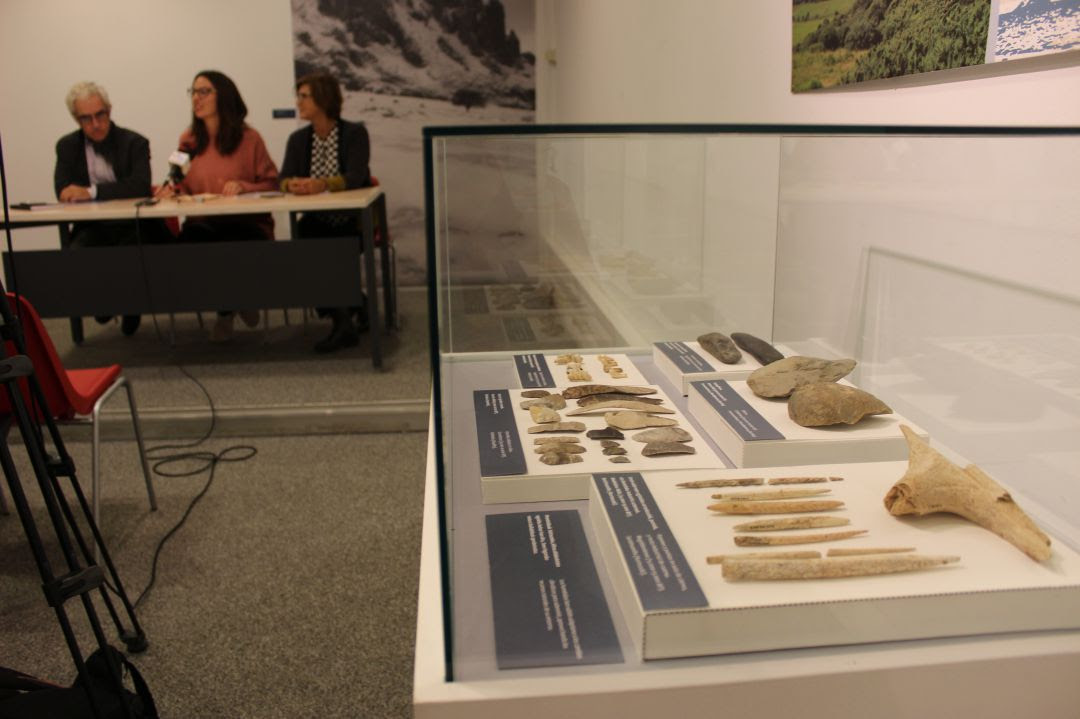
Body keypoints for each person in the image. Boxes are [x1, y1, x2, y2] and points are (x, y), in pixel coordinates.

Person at [157, 70, 279, 342]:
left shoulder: (250, 139)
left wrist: (245, 186)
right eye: (193, 92)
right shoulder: (188, 140)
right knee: (190, 245)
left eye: (204, 91)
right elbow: (180, 184)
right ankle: (235, 303)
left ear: (223, 95)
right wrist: (171, 191)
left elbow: (272, 183)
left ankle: (227, 311)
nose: (196, 98)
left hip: (246, 223)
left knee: (233, 246)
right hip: (204, 222)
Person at [54, 81, 164, 336]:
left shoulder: (134, 142)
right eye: (86, 118)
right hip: (93, 225)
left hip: (133, 225)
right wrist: (72, 193)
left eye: (100, 115)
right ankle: (103, 304)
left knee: (130, 253)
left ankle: (130, 306)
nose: (95, 123)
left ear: (109, 110)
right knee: (78, 252)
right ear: (76, 119)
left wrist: (90, 192)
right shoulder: (67, 146)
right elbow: (63, 189)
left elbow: (138, 186)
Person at [279, 72, 372, 353]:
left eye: (304, 96)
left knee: (327, 248)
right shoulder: (298, 139)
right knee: (306, 244)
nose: (298, 103)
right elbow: (281, 178)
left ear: (323, 97)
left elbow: (356, 176)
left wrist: (322, 184)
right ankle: (350, 310)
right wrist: (292, 184)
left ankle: (345, 319)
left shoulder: (354, 134)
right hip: (316, 220)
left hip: (350, 220)